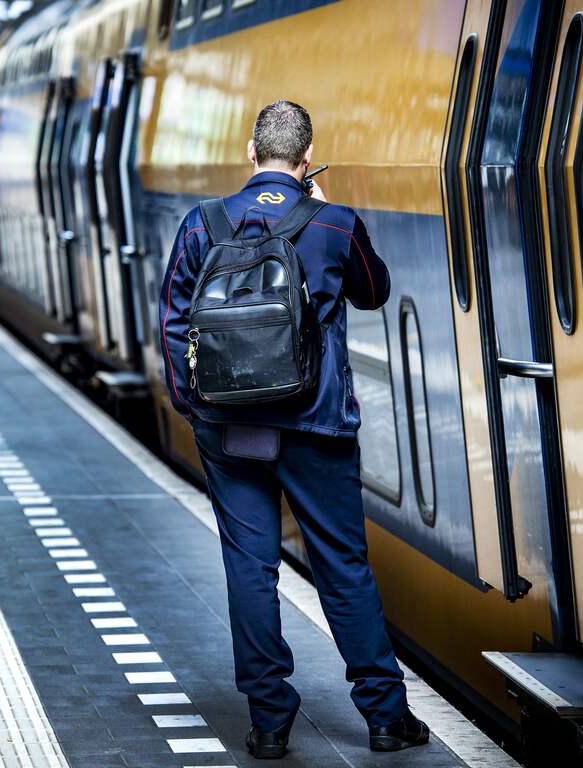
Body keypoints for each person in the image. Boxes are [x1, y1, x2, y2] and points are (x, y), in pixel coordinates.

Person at [158, 101, 429, 760]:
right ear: (307, 159)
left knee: (249, 568)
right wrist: (327, 212)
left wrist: (197, 408)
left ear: (250, 154)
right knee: (343, 567)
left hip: (230, 429)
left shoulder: (203, 223)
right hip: (316, 425)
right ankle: (385, 717)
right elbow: (373, 291)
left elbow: (173, 320)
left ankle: (270, 722)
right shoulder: (333, 222)